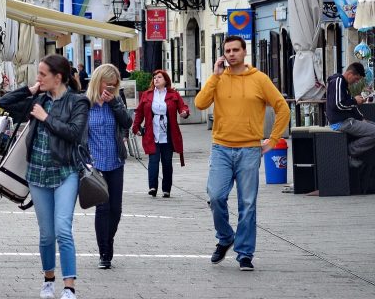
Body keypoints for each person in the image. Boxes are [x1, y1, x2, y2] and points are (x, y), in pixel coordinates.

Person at [195, 35, 289, 272]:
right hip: (221, 148)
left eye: (236, 49)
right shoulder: (218, 79)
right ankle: (225, 237)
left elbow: (282, 108)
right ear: (223, 54)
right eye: (227, 50)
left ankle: (245, 253)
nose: (231, 54)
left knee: (247, 204)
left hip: (249, 149)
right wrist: (215, 76)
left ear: (244, 52)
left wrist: (273, 139)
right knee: (215, 196)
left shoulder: (259, 79)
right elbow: (199, 103)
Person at [0, 55, 89, 299]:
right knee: (47, 233)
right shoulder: (38, 99)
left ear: (58, 77)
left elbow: (74, 133)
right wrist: (29, 90)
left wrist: (45, 118)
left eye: (42, 74)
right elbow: (3, 102)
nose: (38, 78)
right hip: (37, 173)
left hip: (65, 171)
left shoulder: (78, 102)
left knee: (62, 229)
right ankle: (48, 280)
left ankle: (69, 286)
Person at [85, 64, 132, 269]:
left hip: (115, 161)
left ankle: (108, 239)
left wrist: (115, 103)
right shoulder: (85, 103)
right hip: (95, 164)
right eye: (107, 84)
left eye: (114, 85)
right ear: (98, 82)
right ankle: (104, 252)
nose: (111, 88)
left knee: (116, 209)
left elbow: (127, 122)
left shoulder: (117, 101)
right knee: (102, 208)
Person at [133, 69, 189, 197]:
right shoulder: (147, 94)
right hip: (152, 131)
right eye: (154, 77)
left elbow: (183, 107)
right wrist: (135, 127)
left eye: (159, 77)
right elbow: (140, 112)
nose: (156, 79)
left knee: (167, 161)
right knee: (153, 160)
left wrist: (184, 113)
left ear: (165, 80)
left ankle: (166, 189)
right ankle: (152, 187)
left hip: (168, 132)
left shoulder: (173, 94)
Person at [327, 62, 375, 166]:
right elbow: (337, 105)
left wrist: (361, 119)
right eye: (356, 79)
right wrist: (355, 101)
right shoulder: (338, 81)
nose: (356, 82)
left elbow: (351, 107)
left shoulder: (344, 85)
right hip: (341, 122)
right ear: (350, 74)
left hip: (347, 121)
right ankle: (350, 151)